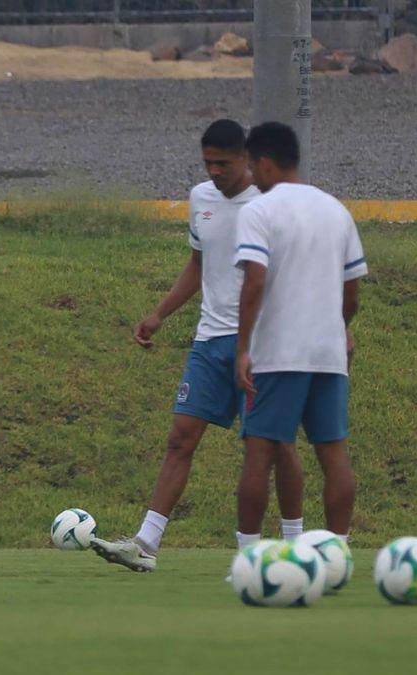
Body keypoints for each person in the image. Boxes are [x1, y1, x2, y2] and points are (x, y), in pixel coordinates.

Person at [91, 120, 305, 573]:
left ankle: (295, 544)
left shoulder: (270, 202)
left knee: (272, 446)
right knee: (180, 439)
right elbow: (198, 264)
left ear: (245, 158)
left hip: (263, 343)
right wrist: (159, 313)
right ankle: (146, 543)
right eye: (207, 162)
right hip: (209, 341)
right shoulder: (200, 198)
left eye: (222, 163)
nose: (213, 171)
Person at [232, 121, 366, 548]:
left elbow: (254, 282)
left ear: (266, 164)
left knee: (259, 454)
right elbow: (352, 292)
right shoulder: (336, 210)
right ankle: (338, 553)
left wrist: (242, 349)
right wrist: (339, 330)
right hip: (328, 355)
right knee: (334, 455)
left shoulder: (258, 211)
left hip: (279, 354)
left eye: (252, 168)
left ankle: (248, 556)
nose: (251, 178)